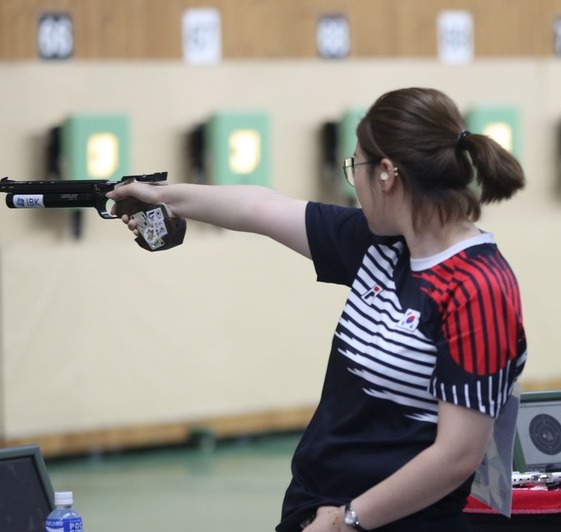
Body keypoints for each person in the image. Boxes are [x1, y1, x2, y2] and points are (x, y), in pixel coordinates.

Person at [107, 87, 528, 531]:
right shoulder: (379, 244)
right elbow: (259, 207)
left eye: (356, 167)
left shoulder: (479, 288)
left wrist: (348, 520)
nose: (356, 183)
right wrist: (161, 196)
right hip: (318, 511)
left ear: (387, 173)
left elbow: (456, 456)